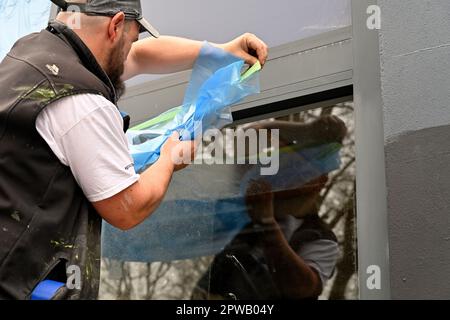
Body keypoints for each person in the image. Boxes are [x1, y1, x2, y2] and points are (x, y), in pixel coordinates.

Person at [0, 0, 268, 300]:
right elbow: (127, 208)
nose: (132, 48)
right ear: (115, 25)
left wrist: (222, 50)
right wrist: (169, 159)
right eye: (132, 36)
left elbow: (139, 56)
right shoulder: (81, 102)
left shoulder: (31, 55)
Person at [192, 115, 347, 300]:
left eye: (304, 166)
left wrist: (266, 223)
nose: (292, 171)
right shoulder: (251, 201)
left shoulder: (321, 238)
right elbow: (251, 135)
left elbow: (304, 288)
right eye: (289, 162)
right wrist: (306, 130)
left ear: (321, 180)